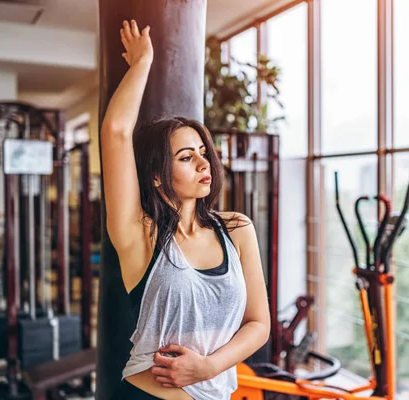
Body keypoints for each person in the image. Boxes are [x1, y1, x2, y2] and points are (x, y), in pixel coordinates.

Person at [101, 20, 271, 399]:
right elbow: (115, 130)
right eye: (185, 156)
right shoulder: (140, 236)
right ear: (158, 176)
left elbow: (259, 323)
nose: (203, 163)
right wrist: (143, 62)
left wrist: (209, 366)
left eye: (203, 153)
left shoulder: (237, 229)